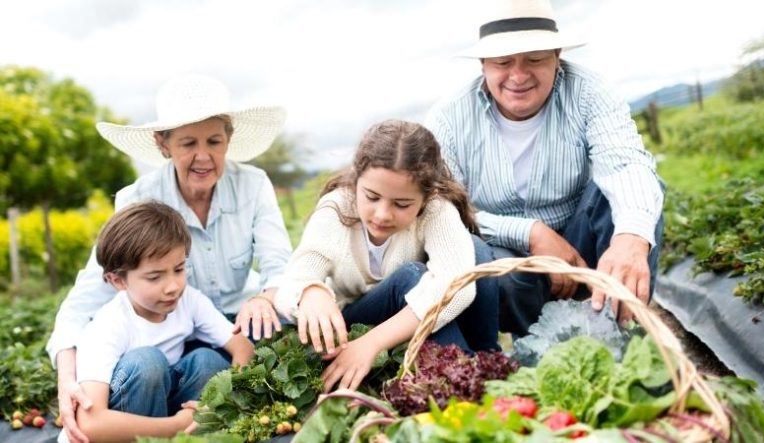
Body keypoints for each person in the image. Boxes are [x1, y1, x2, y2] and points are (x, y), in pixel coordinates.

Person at [45, 74, 292, 443]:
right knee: (149, 364)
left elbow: (280, 266)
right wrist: (68, 379)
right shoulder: (138, 199)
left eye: (214, 141)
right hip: (159, 332)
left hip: (229, 324)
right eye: (188, 143)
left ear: (229, 139)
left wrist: (263, 298)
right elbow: (86, 299)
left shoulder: (253, 184)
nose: (203, 156)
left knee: (220, 360)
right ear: (163, 145)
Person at [424, 0, 664, 337]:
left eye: (535, 59)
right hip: (507, 254)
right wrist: (531, 234)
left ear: (557, 56)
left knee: (636, 203)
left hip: (581, 243)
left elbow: (626, 164)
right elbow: (443, 211)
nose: (519, 76)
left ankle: (620, 332)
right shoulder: (448, 119)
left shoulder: (589, 92)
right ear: (483, 65)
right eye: (503, 62)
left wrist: (630, 239)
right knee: (486, 260)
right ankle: (537, 351)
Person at [265, 119, 500, 393]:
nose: (382, 214)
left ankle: (484, 363)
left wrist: (373, 343)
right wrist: (310, 292)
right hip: (355, 324)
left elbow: (456, 290)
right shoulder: (337, 207)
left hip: (407, 321)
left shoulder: (436, 210)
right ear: (356, 182)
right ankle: (468, 383)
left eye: (402, 204)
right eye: (372, 197)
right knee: (411, 276)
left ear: (427, 196)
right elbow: (294, 277)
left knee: (476, 254)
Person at [74, 201, 254, 441]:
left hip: (165, 407)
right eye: (154, 277)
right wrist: (174, 425)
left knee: (207, 360)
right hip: (119, 426)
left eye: (179, 269)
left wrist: (221, 399)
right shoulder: (108, 326)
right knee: (147, 362)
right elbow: (90, 423)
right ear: (118, 281)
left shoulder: (189, 300)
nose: (173, 287)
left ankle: (194, 436)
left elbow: (242, 346)